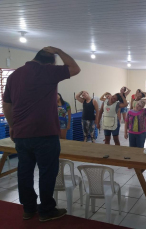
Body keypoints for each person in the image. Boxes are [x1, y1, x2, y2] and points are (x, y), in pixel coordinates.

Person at [3, 46, 80, 221]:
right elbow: (75, 68)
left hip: (22, 134)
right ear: (51, 62)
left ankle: (29, 209)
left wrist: (13, 125)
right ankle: (46, 210)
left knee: (24, 171)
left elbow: (6, 104)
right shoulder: (47, 71)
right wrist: (59, 50)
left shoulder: (14, 75)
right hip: (45, 133)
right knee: (47, 171)